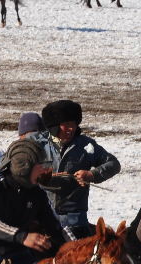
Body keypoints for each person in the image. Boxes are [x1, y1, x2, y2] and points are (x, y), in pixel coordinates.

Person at [41, 99, 120, 240]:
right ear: (54, 126)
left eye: (74, 124)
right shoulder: (38, 144)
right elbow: (20, 170)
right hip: (44, 219)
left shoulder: (86, 146)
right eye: (66, 125)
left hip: (76, 221)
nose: (71, 129)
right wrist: (42, 177)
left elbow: (113, 164)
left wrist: (92, 174)